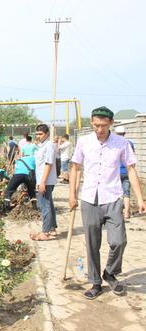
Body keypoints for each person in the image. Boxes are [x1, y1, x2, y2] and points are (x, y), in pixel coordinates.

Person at [69, 106, 146, 300]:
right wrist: (72, 194)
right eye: (95, 125)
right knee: (92, 244)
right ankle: (95, 282)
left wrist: (139, 198)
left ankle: (110, 272)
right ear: (92, 123)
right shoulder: (84, 142)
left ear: (111, 123)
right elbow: (76, 169)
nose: (99, 129)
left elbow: (130, 170)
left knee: (119, 241)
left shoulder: (121, 143)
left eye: (103, 125)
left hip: (112, 198)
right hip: (89, 199)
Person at [30, 124, 58, 241]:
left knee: (44, 205)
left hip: (46, 180)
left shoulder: (49, 145)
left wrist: (43, 182)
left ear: (46, 134)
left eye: (40, 134)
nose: (38, 136)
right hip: (42, 179)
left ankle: (45, 232)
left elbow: (48, 164)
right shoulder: (41, 146)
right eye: (37, 134)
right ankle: (51, 228)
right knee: (49, 204)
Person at [115, 126, 135, 219]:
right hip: (127, 172)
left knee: (116, 193)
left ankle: (117, 213)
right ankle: (127, 213)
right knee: (126, 192)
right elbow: (132, 159)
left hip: (115, 172)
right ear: (124, 133)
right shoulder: (129, 143)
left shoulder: (114, 143)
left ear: (115, 133)